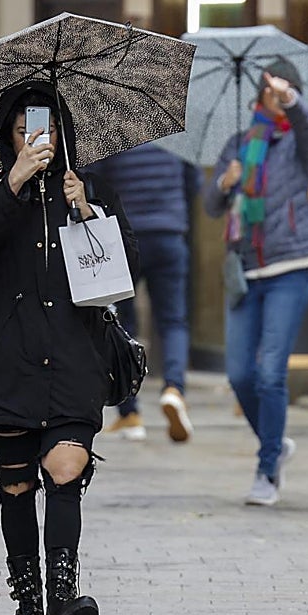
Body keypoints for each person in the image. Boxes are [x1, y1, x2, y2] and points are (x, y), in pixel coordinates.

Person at [0, 81, 137, 615]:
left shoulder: (89, 189)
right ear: (8, 138)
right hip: (6, 357)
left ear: (65, 133)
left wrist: (86, 209)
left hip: (73, 354)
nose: (39, 138)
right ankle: (28, 605)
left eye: (49, 128)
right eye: (25, 129)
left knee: (65, 466)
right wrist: (15, 182)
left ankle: (63, 599)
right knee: (15, 484)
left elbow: (124, 267)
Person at [202, 59, 308, 507]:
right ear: (257, 94)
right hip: (244, 269)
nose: (276, 96)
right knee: (239, 374)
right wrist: (225, 182)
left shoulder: (300, 143)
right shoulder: (238, 143)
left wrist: (291, 98)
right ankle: (275, 442)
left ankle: (267, 467)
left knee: (271, 373)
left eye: (286, 92)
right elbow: (213, 205)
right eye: (270, 90)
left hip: (290, 266)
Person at [88, 142, 200, 442]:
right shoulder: (177, 135)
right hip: (170, 234)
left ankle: (130, 412)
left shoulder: (117, 133)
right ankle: (174, 389)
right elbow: (194, 183)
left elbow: (95, 182)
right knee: (174, 320)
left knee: (122, 324)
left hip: (127, 237)